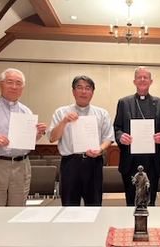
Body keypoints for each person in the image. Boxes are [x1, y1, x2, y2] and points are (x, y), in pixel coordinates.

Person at [0, 68, 47, 210]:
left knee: (17, 211)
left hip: (21, 166)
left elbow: (28, 141)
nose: (14, 87)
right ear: (0, 85)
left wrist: (38, 134)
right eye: (10, 82)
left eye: (18, 83)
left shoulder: (26, 111)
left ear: (23, 89)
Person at [47, 75, 114, 206]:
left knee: (94, 205)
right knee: (69, 207)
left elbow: (109, 138)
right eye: (80, 88)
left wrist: (100, 150)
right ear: (73, 91)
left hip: (93, 163)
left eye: (88, 88)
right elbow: (52, 137)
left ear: (92, 93)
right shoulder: (61, 112)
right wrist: (64, 121)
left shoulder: (102, 114)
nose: (84, 92)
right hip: (70, 164)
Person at [114, 66, 160, 206]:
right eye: (140, 77)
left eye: (146, 77)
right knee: (131, 201)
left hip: (152, 161)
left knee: (150, 202)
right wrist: (120, 136)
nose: (143, 80)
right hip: (130, 160)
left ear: (151, 81)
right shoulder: (124, 103)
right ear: (134, 81)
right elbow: (117, 128)